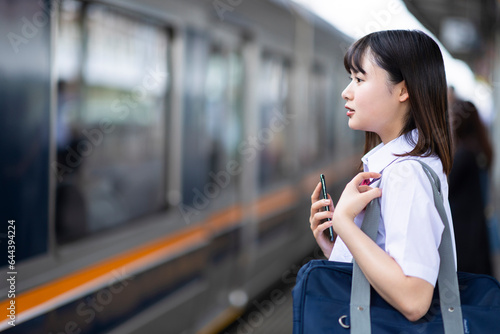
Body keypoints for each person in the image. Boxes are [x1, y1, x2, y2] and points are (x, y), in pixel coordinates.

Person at [309, 30, 455, 322]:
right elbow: (390, 276)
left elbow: (414, 299)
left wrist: (345, 225)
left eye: (360, 80)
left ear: (403, 90)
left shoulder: (406, 174)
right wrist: (339, 247)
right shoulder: (405, 165)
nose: (346, 92)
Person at [449, 100, 493, 275]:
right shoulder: (478, 148)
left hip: (463, 229)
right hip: (475, 226)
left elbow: (446, 187)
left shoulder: (464, 154)